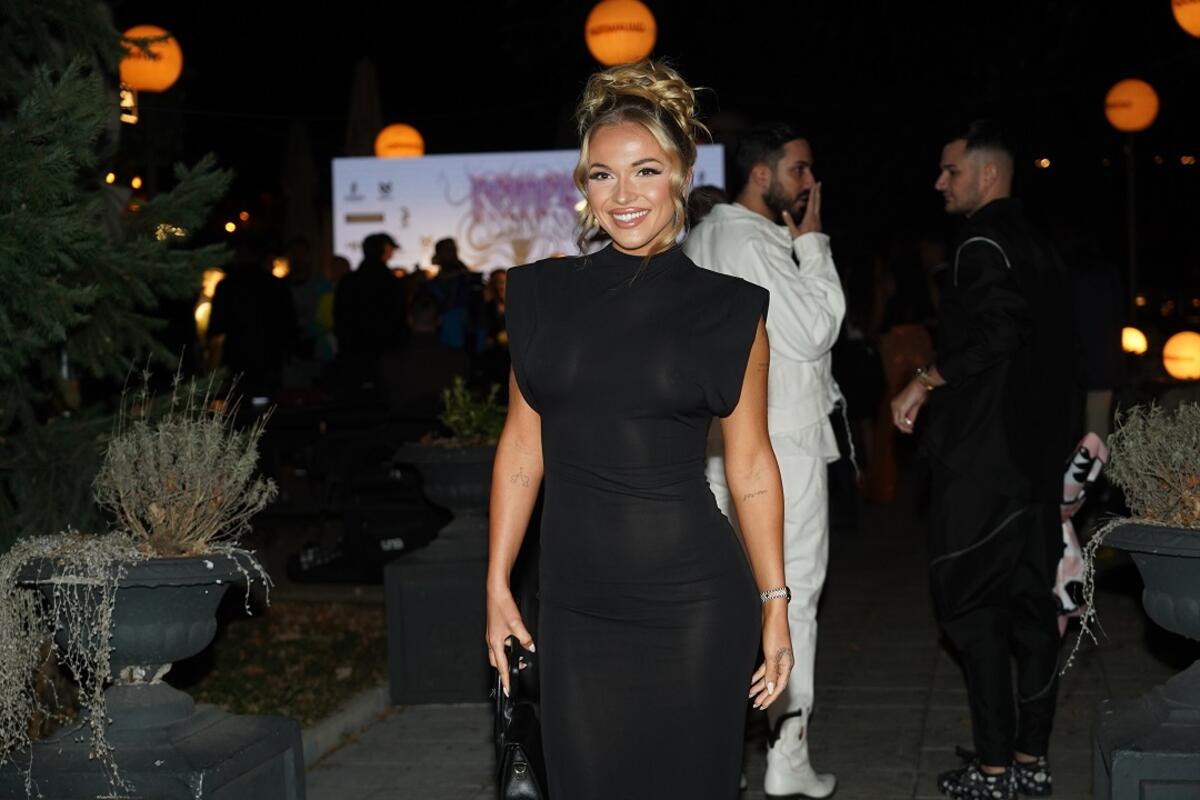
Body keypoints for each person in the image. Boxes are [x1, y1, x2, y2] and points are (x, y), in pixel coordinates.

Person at [486, 60, 793, 799]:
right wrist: (496, 582)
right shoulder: (540, 295)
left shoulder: (730, 309)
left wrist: (775, 604)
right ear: (583, 186)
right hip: (573, 606)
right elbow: (522, 448)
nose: (623, 195)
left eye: (645, 171)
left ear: (680, 175)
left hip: (694, 604)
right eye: (603, 175)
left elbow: (751, 467)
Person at [890, 121, 1076, 800]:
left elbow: (1002, 329)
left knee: (972, 612)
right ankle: (1030, 760)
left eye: (951, 171)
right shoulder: (1041, 245)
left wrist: (926, 379)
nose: (939, 182)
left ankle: (995, 771)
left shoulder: (979, 242)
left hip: (984, 461)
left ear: (988, 174)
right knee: (1032, 612)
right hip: (1034, 461)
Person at [683, 123, 844, 799]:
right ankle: (787, 754)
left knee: (721, 602)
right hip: (781, 445)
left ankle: (718, 754)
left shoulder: (701, 237)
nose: (809, 183)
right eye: (799, 169)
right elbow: (817, 329)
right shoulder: (754, 241)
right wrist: (813, 241)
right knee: (792, 594)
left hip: (718, 447)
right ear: (760, 174)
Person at [332, 232, 408, 385]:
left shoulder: (349, 281)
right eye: (391, 249)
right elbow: (399, 319)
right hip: (386, 353)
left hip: (353, 353)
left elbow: (339, 317)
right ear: (385, 250)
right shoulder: (391, 282)